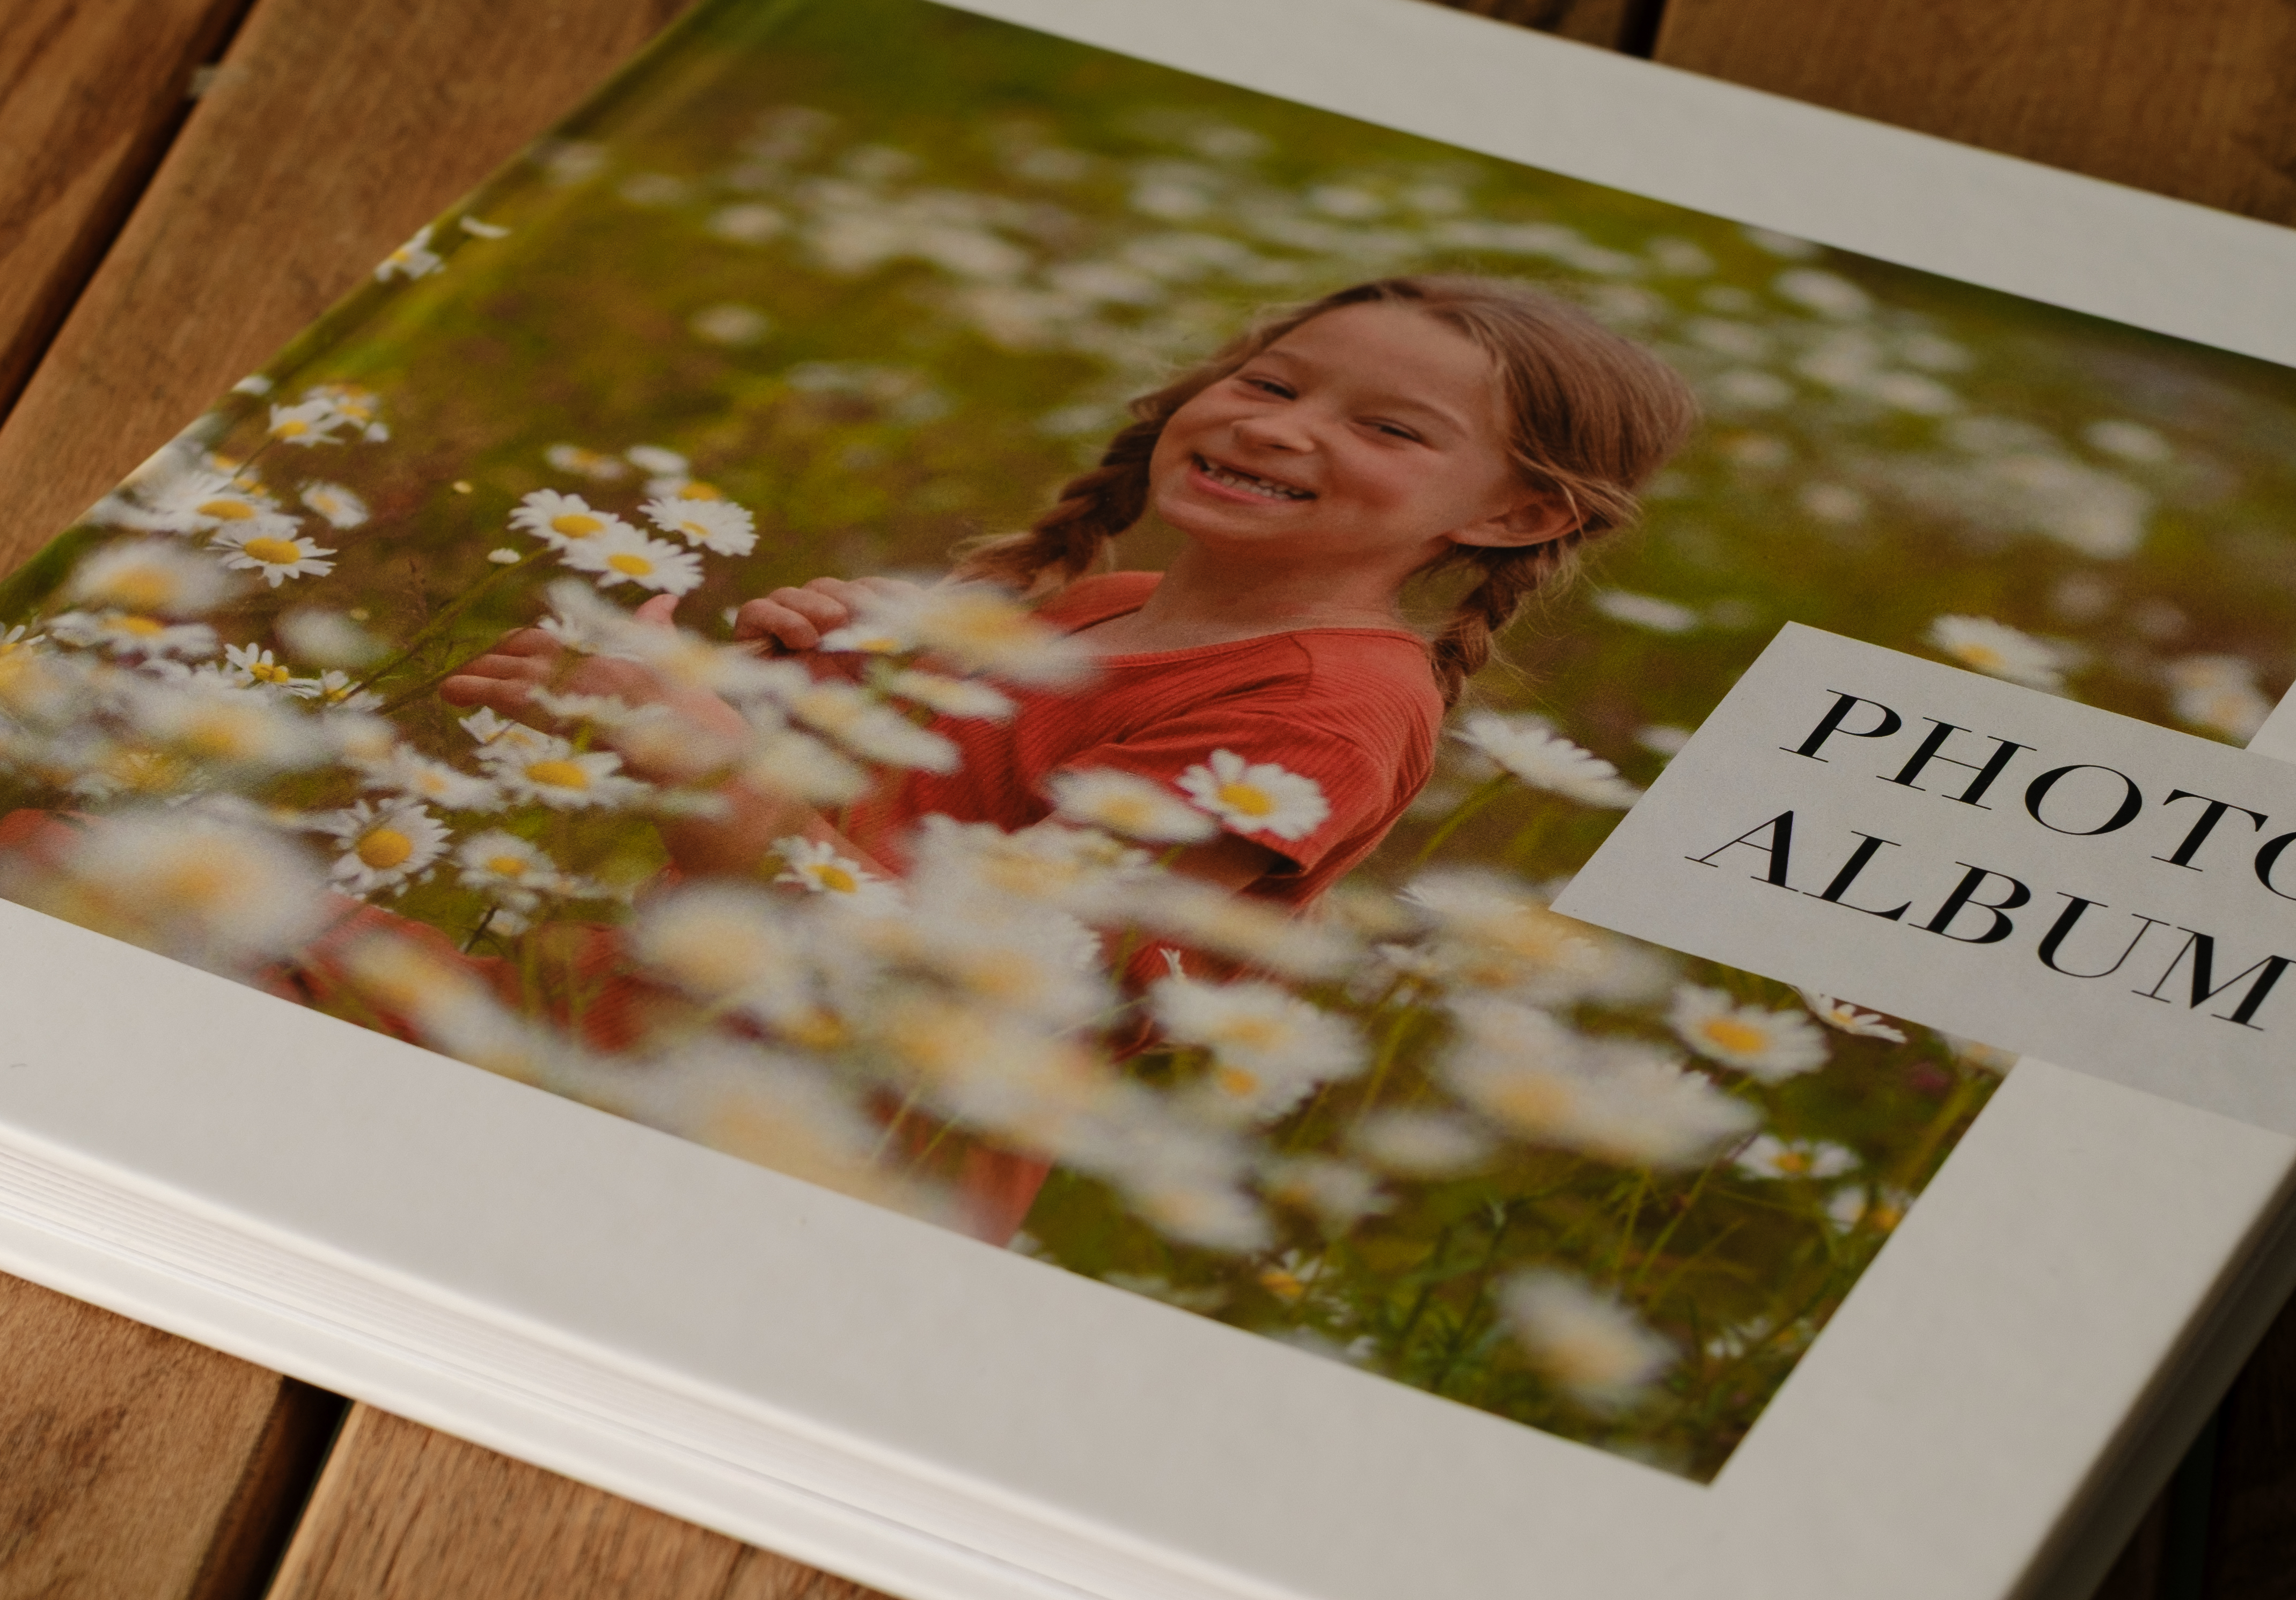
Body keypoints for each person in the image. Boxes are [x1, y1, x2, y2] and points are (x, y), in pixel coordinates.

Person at [436, 274, 1693, 1237]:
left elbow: (963, 981)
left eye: (1391, 429)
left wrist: (695, 753)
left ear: (1515, 515)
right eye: (1271, 384)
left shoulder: (1312, 717)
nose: (1283, 430)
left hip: (816, 1149)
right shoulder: (1112, 604)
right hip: (640, 1024)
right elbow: (882, 832)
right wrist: (764, 690)